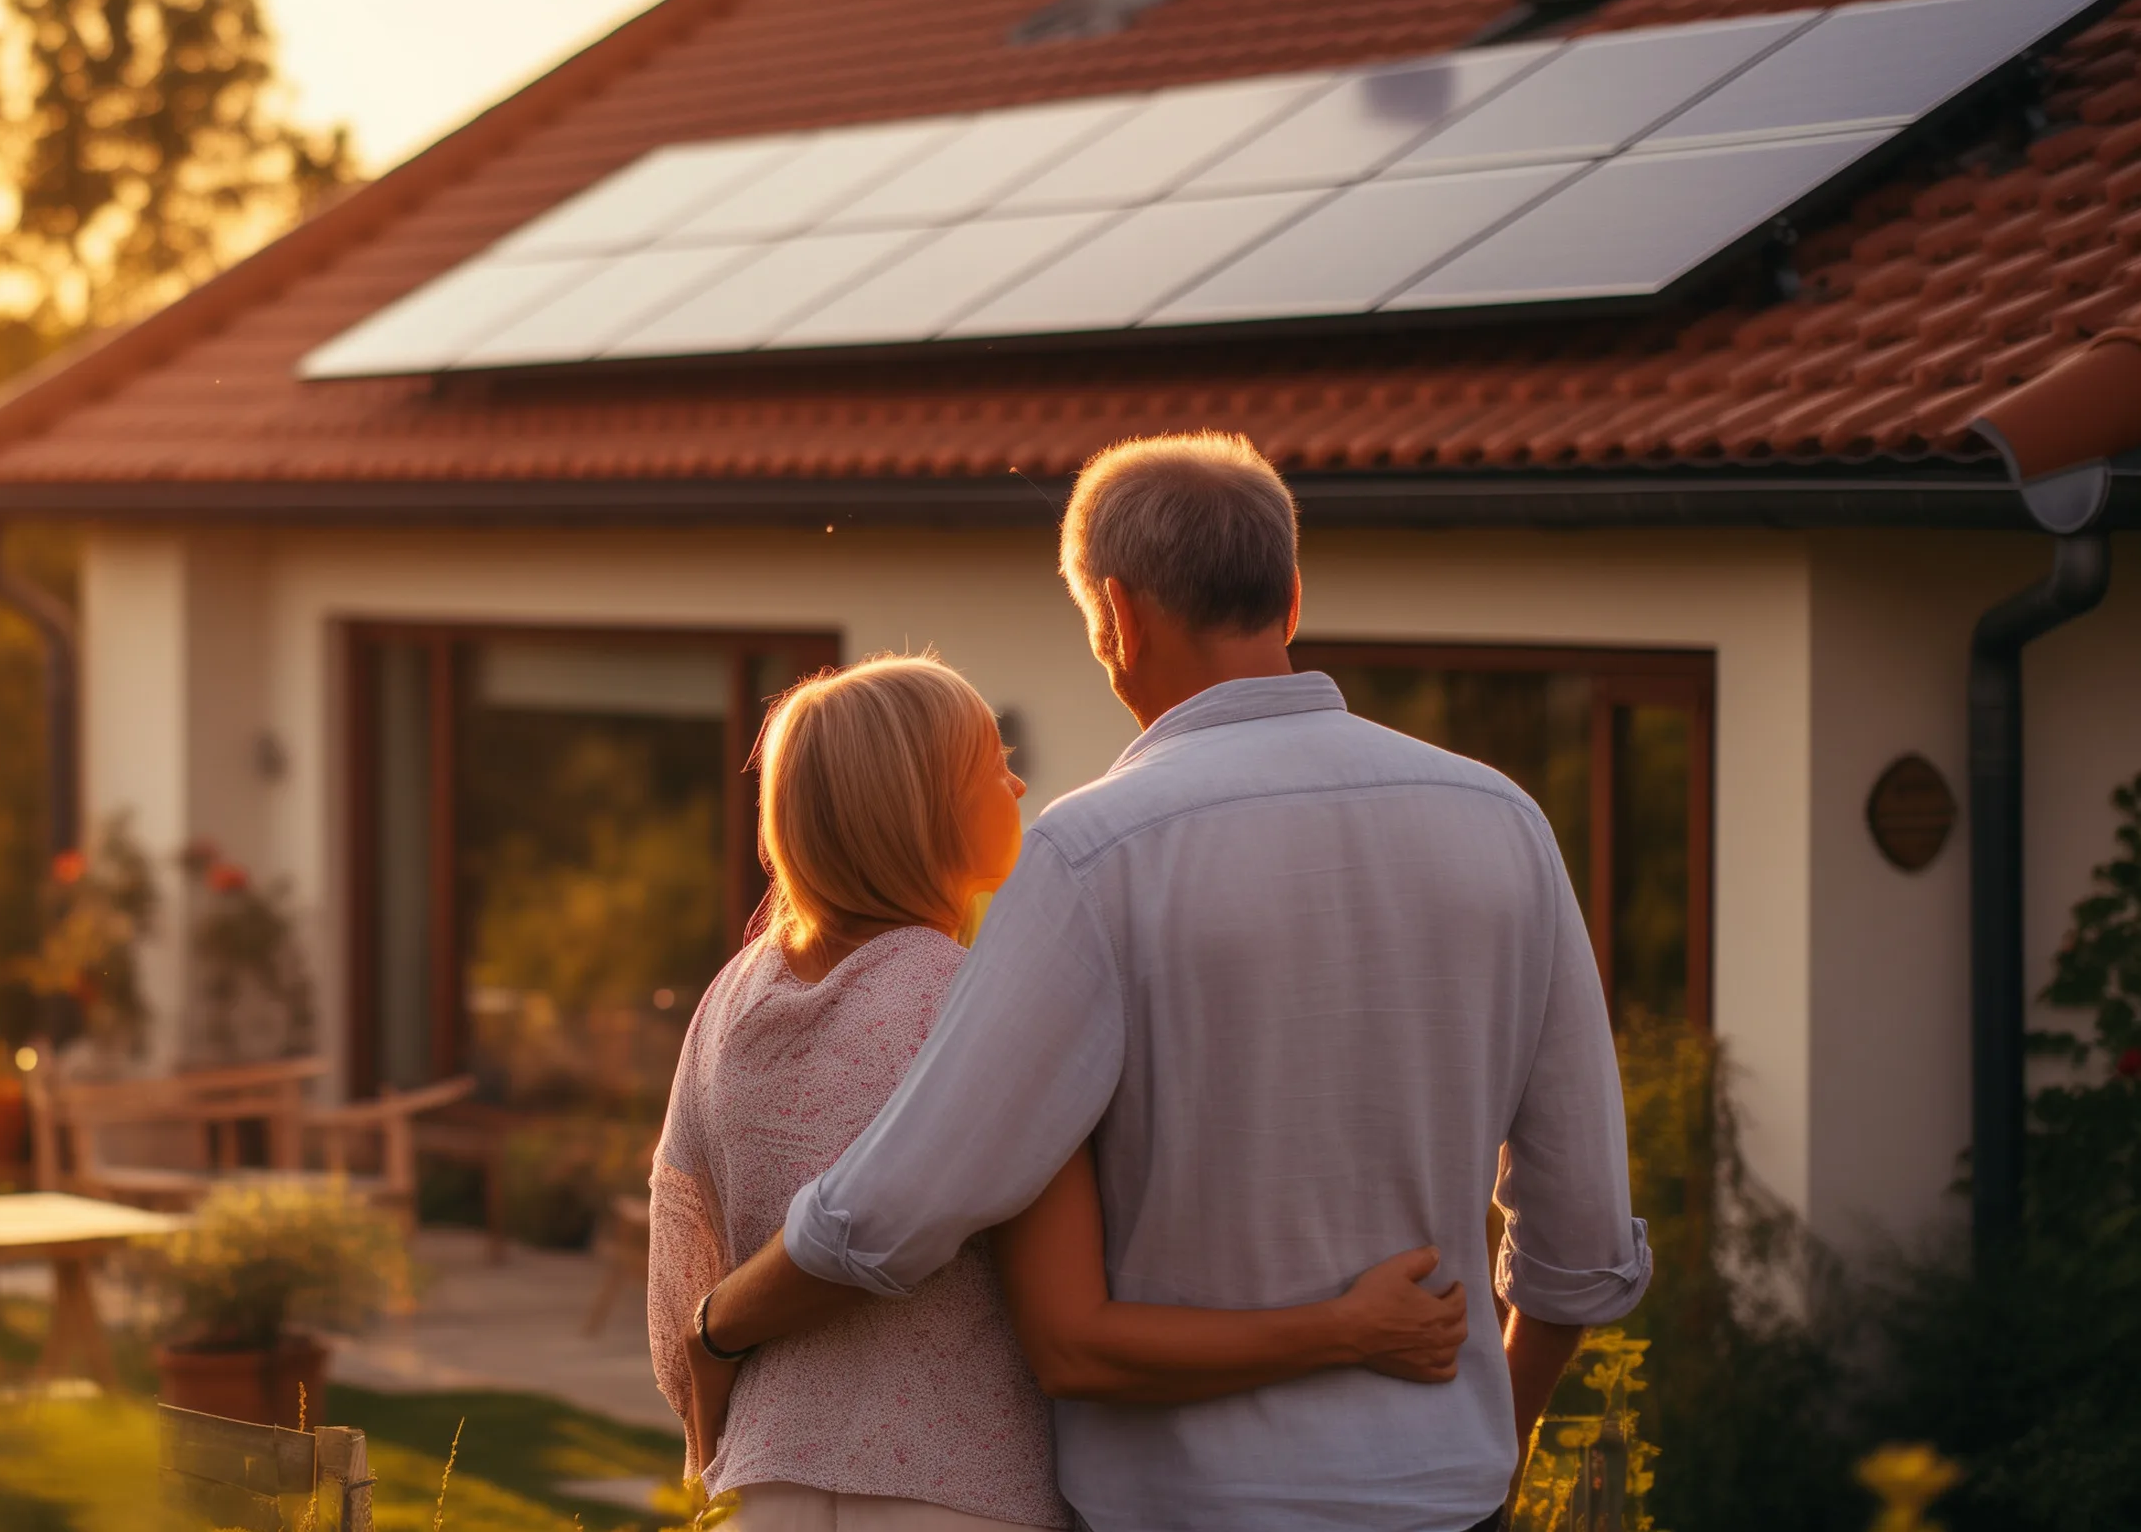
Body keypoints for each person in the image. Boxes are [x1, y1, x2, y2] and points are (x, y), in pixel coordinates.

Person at [682, 433, 1652, 1532]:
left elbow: (895, 1208)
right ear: (1288, 599)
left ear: (1116, 617)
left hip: (1186, 1506)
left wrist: (717, 1327)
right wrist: (1490, 1447)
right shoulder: (1503, 825)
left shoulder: (1094, 853)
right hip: (1443, 1498)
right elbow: (1578, 1243)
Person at [650, 653, 1474, 1532]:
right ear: (921, 804)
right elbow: (1082, 1326)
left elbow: (680, 1301)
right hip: (963, 1499)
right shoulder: (975, 1005)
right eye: (989, 763)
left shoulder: (734, 1001)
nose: (1016, 781)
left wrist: (724, 1390)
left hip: (770, 1497)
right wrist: (1345, 1325)